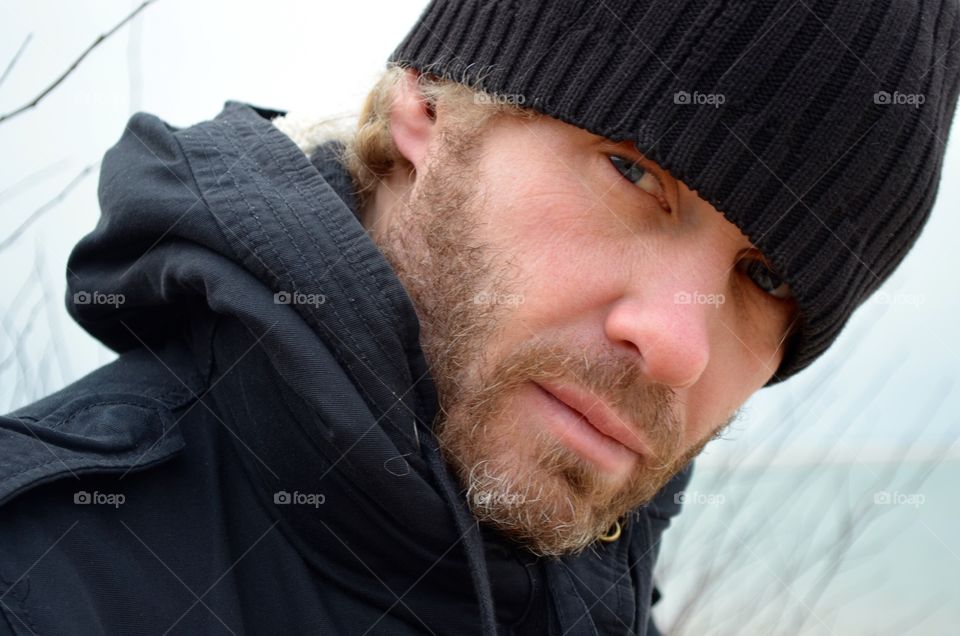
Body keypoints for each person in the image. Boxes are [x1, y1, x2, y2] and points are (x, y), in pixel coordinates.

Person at [1, 1, 957, 634]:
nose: (674, 344)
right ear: (426, 103)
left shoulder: (596, 597)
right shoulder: (40, 579)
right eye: (633, 171)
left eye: (766, 275)